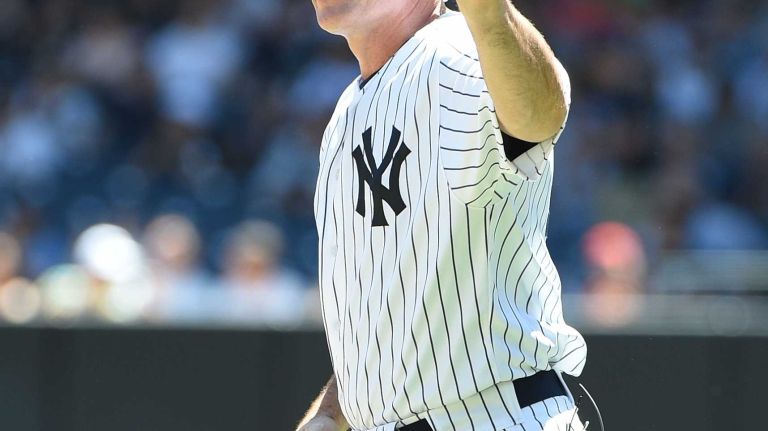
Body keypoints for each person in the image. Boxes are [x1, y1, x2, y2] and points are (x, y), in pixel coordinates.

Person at [299, 1, 587, 430]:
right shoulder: (347, 110)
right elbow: (395, 310)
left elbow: (538, 118)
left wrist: (490, 15)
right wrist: (330, 413)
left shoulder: (456, 51)